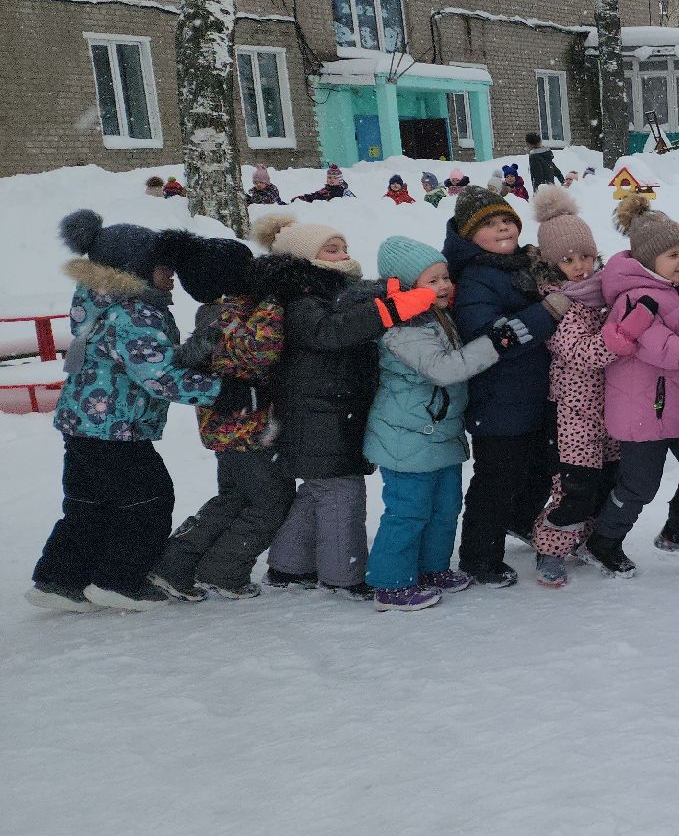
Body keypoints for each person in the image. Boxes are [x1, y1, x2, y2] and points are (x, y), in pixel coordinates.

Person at [27, 211, 222, 612]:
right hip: (115, 429)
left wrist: (192, 352)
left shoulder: (101, 303)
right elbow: (159, 376)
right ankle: (119, 581)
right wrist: (225, 392)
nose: (171, 274)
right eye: (162, 266)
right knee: (148, 501)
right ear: (134, 269)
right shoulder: (133, 313)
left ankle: (59, 579)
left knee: (88, 505)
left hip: (85, 425)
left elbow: (148, 361)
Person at [254, 215, 437, 599]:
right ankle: (344, 575)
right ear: (305, 257)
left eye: (344, 248)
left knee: (320, 489)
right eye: (331, 249)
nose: (343, 255)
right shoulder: (302, 300)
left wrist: (381, 299)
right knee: (342, 492)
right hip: (317, 412)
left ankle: (289, 565)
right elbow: (332, 333)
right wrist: (390, 309)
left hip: (331, 409)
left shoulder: (330, 291)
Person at [363, 236, 524, 611]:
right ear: (404, 288)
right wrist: (494, 344)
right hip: (407, 437)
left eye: (445, 277)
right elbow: (444, 369)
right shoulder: (402, 330)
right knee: (408, 511)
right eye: (431, 280)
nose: (444, 285)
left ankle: (432, 568)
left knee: (444, 507)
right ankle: (390, 583)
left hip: (439, 433)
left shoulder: (439, 317)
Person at [582, 199, 679, 566]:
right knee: (640, 485)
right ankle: (604, 540)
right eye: (672, 254)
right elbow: (673, 353)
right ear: (648, 261)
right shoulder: (637, 301)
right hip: (643, 412)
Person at [148, 231, 290, 602]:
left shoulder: (218, 311)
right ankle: (224, 570)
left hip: (229, 427)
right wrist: (274, 302)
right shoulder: (233, 314)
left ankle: (173, 564)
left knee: (233, 498)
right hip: (248, 427)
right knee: (270, 502)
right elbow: (260, 353)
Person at [444, 186, 571, 587]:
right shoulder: (473, 278)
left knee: (539, 468)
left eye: (506, 219)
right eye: (488, 223)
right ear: (467, 235)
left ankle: (520, 521)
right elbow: (490, 339)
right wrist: (545, 313)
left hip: (534, 395)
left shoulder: (522, 265)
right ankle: (480, 556)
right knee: (496, 480)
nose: (502, 227)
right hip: (497, 401)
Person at [527, 186, 624, 587]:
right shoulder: (558, 303)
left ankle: (583, 540)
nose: (580, 266)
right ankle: (549, 549)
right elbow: (583, 352)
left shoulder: (599, 294)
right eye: (568, 260)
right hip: (571, 414)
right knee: (574, 489)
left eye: (585, 256)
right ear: (552, 265)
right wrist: (620, 337)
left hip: (607, 411)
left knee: (605, 483)